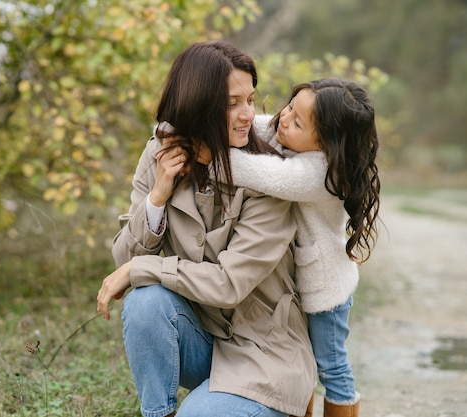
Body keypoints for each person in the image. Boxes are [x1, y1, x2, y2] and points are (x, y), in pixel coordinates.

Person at [96, 40, 316, 417]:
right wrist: (157, 198)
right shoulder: (160, 154)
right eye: (233, 103)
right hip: (201, 339)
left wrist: (140, 269)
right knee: (145, 302)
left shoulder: (269, 175)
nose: (248, 114)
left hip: (262, 355)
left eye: (250, 99)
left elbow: (229, 284)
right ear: (198, 105)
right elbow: (123, 259)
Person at [219, 78, 381, 417]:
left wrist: (209, 156)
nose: (284, 119)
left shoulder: (322, 173)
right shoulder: (289, 133)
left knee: (330, 366)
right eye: (290, 106)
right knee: (298, 359)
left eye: (297, 122)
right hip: (295, 285)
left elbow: (257, 172)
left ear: (325, 143)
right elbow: (252, 126)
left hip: (324, 293)